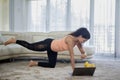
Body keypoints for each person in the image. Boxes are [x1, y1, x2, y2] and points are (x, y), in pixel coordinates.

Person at [4, 27, 90, 70]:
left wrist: (84, 54)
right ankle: (14, 40)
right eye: (84, 40)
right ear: (80, 35)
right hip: (48, 44)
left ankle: (33, 63)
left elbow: (83, 52)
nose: (84, 42)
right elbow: (72, 56)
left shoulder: (78, 42)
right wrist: (74, 69)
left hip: (53, 49)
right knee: (30, 46)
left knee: (52, 65)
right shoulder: (70, 39)